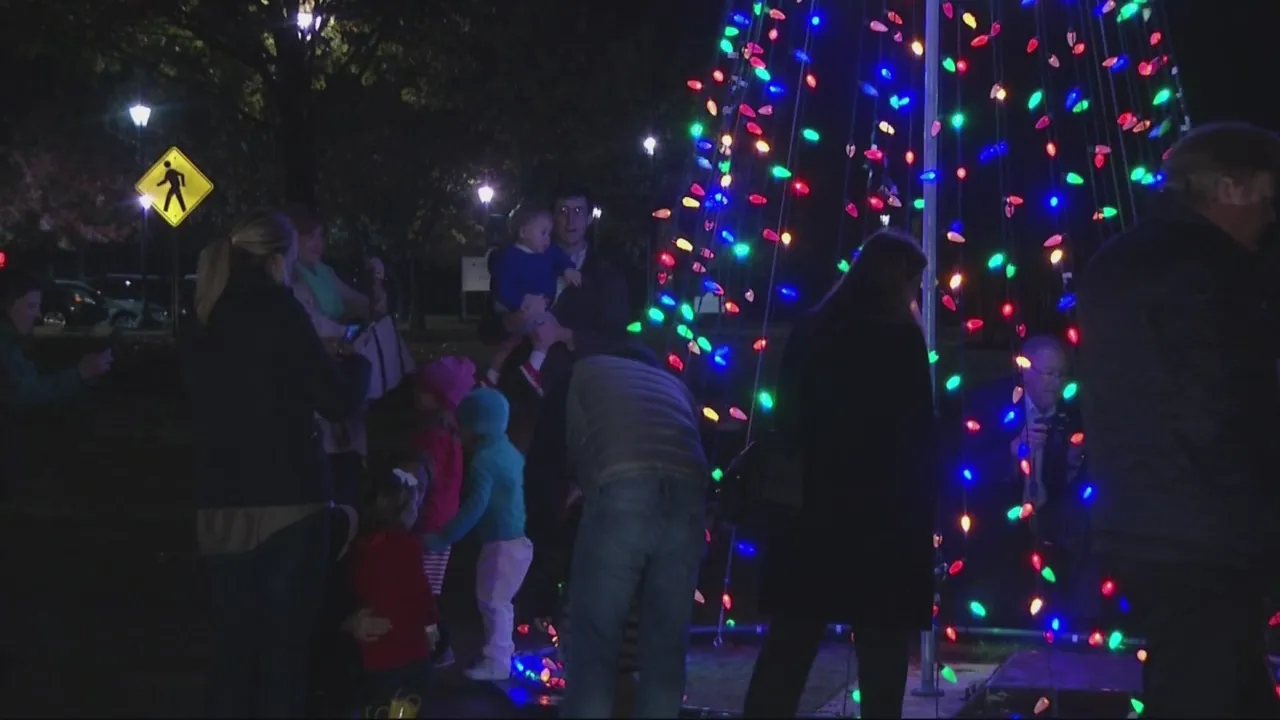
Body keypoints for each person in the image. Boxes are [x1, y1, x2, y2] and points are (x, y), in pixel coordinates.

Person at [1077, 122, 1280, 717]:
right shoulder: (1215, 271)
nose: (1270, 217)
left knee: (1211, 681)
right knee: (1208, 688)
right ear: (1229, 188)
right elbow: (1228, 403)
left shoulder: (1119, 261)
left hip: (1144, 516)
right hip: (1211, 523)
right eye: (1268, 197)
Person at [742, 229, 938, 719]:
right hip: (882, 513)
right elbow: (916, 431)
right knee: (882, 646)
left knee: (792, 639)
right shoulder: (900, 340)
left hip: (813, 507)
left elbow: (788, 417)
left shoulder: (813, 330)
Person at [185, 209, 371, 718]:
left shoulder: (203, 315)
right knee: (283, 657)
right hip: (288, 501)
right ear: (279, 259)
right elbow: (334, 399)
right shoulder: (280, 310)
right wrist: (357, 362)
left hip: (218, 505)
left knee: (232, 654)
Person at [481, 184, 629, 631]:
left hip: (580, 394)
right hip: (527, 399)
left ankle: (576, 598)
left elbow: (616, 335)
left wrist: (565, 336)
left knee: (576, 496)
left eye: (578, 211)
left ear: (589, 217)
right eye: (562, 211)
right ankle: (524, 600)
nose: (570, 220)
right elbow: (491, 319)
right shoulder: (521, 259)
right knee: (525, 494)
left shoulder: (605, 274)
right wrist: (512, 321)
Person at [558, 345, 708, 718]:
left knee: (596, 645)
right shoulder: (674, 386)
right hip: (689, 493)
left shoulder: (581, 373)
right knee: (666, 647)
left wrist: (545, 560)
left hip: (621, 485)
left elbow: (546, 468)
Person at [965, 335, 1092, 627]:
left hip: (1050, 511)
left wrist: (1072, 463)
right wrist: (1012, 452)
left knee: (1083, 524)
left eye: (1061, 374)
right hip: (1000, 508)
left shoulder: (1071, 412)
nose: (1056, 383)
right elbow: (968, 466)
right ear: (1026, 371)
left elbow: (1069, 482)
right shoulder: (992, 404)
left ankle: (1077, 622)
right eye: (1050, 374)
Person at [285, 204, 392, 507]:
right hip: (317, 373)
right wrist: (348, 334)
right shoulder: (290, 278)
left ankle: (349, 504)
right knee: (326, 446)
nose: (318, 243)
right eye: (309, 236)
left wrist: (376, 283)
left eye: (321, 235)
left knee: (349, 445)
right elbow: (313, 325)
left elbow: (366, 307)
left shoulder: (325, 274)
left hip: (343, 369)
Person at [424, 388, 531, 682]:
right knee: (501, 602)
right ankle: (500, 655)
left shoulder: (484, 461)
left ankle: (497, 662)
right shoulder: (510, 452)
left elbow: (474, 507)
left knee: (493, 602)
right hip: (518, 541)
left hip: (500, 543)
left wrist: (442, 538)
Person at [0, 267, 112, 498]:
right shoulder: (6, 343)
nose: (37, 314)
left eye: (38, 306)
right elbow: (23, 393)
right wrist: (79, 374)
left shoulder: (11, 340)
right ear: (7, 306)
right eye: (30, 306)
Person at [347, 466, 439, 717]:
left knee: (380, 709)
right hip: (409, 653)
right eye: (415, 505)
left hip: (376, 657)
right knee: (408, 709)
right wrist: (432, 628)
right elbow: (422, 596)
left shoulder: (362, 546)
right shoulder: (406, 547)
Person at [412, 355, 474, 667]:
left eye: (423, 390)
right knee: (426, 591)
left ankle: (437, 649)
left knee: (423, 593)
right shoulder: (452, 434)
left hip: (430, 527)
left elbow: (424, 483)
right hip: (441, 524)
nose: (416, 393)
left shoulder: (434, 438)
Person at [481, 204, 582, 394]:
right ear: (523, 233)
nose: (547, 239)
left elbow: (559, 258)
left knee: (510, 344)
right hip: (518, 306)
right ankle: (533, 367)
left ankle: (491, 376)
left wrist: (568, 268)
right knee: (546, 329)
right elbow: (502, 286)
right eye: (543, 233)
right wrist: (520, 306)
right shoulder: (508, 257)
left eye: (549, 233)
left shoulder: (548, 252)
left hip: (532, 306)